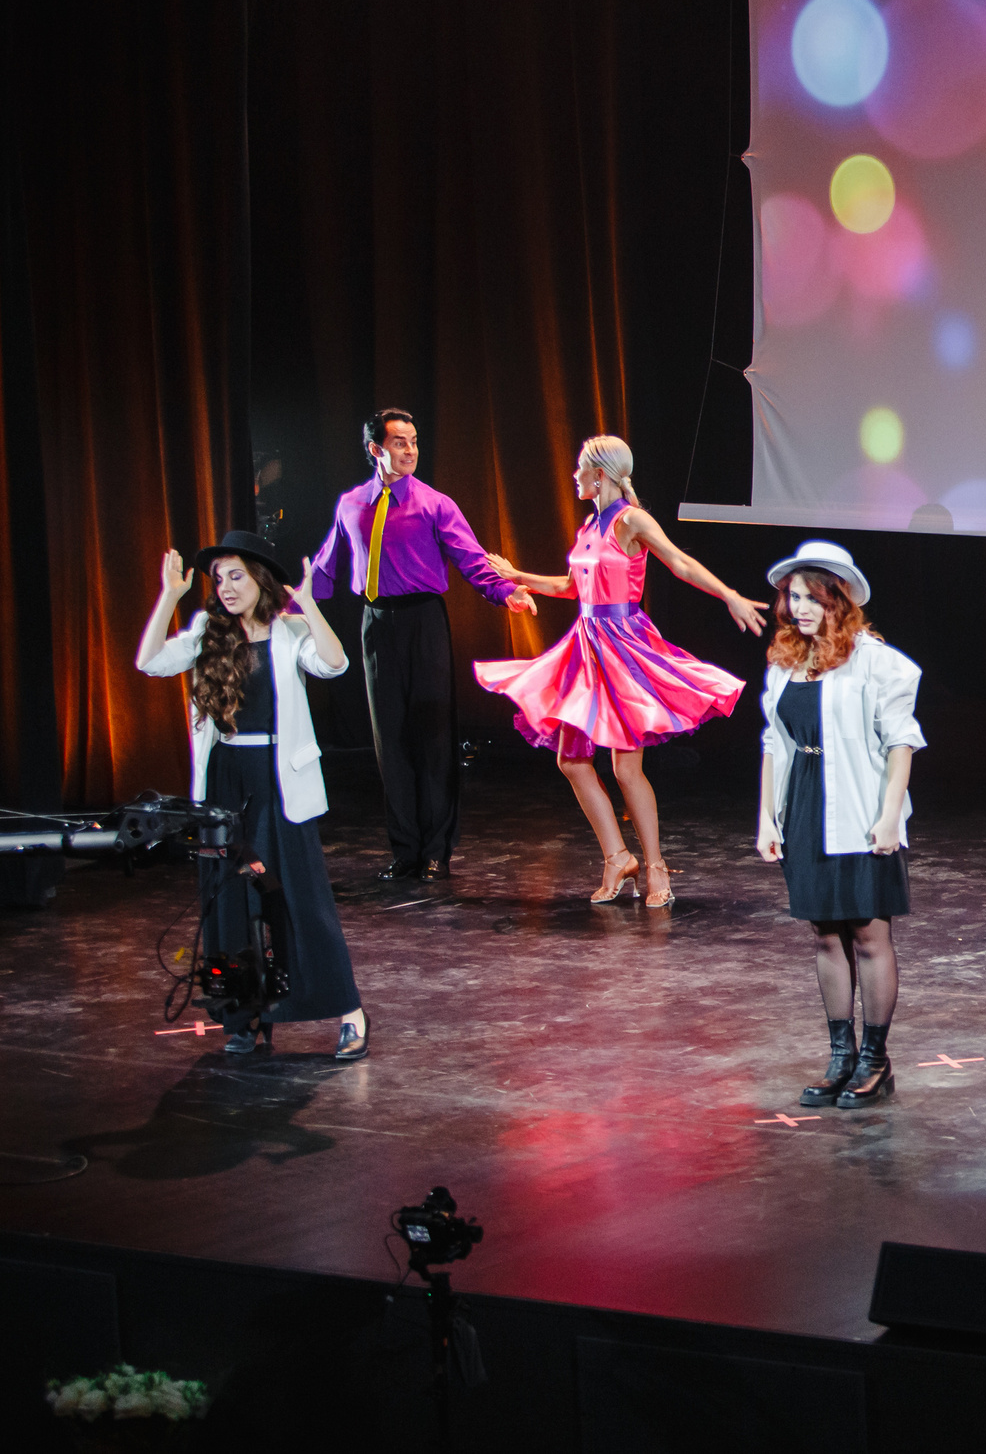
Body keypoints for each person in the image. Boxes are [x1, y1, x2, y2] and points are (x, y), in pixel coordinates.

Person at [475, 436, 765, 908]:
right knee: (570, 760)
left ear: (600, 475)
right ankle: (616, 856)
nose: (573, 476)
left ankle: (655, 867)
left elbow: (679, 562)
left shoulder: (632, 519)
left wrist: (728, 594)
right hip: (585, 648)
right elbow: (571, 586)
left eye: (579, 469)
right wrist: (517, 576)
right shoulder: (588, 525)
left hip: (623, 647)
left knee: (626, 770)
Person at [137, 531, 370, 1059]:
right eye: (218, 579)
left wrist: (308, 605)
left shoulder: (288, 631)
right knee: (230, 903)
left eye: (236, 575)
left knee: (298, 901)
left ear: (260, 579)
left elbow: (335, 664)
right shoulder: (207, 632)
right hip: (224, 778)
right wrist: (170, 598)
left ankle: (349, 1010)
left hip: (277, 779)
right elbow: (149, 662)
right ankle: (245, 1015)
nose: (225, 587)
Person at [308, 408, 537, 882]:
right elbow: (327, 568)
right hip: (375, 623)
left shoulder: (436, 504)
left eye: (413, 441)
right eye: (399, 442)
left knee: (432, 739)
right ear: (376, 449)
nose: (410, 450)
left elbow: (471, 559)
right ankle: (405, 848)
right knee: (390, 742)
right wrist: (290, 610)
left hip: (424, 621)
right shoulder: (351, 504)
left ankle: (437, 850)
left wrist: (504, 592)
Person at [754, 542, 924, 1108]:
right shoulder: (785, 662)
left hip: (858, 805)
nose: (799, 607)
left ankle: (876, 1061)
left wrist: (886, 817)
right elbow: (774, 744)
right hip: (804, 806)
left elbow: (901, 743)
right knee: (826, 933)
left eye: (813, 597)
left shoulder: (876, 660)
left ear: (839, 600)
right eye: (793, 596)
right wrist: (767, 817)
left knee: (869, 935)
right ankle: (841, 1057)